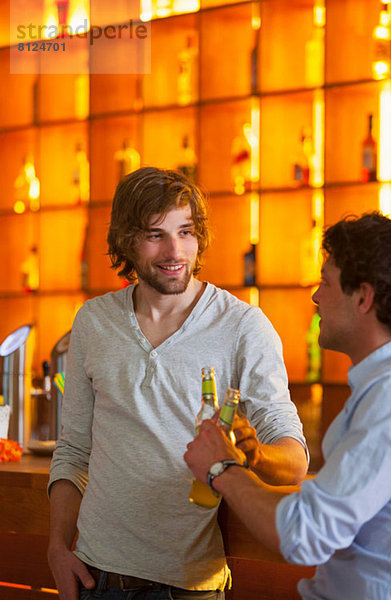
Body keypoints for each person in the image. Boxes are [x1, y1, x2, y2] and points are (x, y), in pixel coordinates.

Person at [47, 166, 308, 600]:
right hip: (95, 578)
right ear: (126, 241)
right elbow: (74, 450)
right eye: (155, 234)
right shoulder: (94, 321)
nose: (175, 250)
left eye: (186, 232)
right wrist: (57, 547)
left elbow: (294, 459)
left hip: (190, 586)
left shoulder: (244, 327)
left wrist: (251, 452)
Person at [185, 211, 391, 600]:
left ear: (364, 298)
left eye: (326, 282)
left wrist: (222, 469)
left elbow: (308, 533)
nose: (316, 296)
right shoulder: (380, 387)